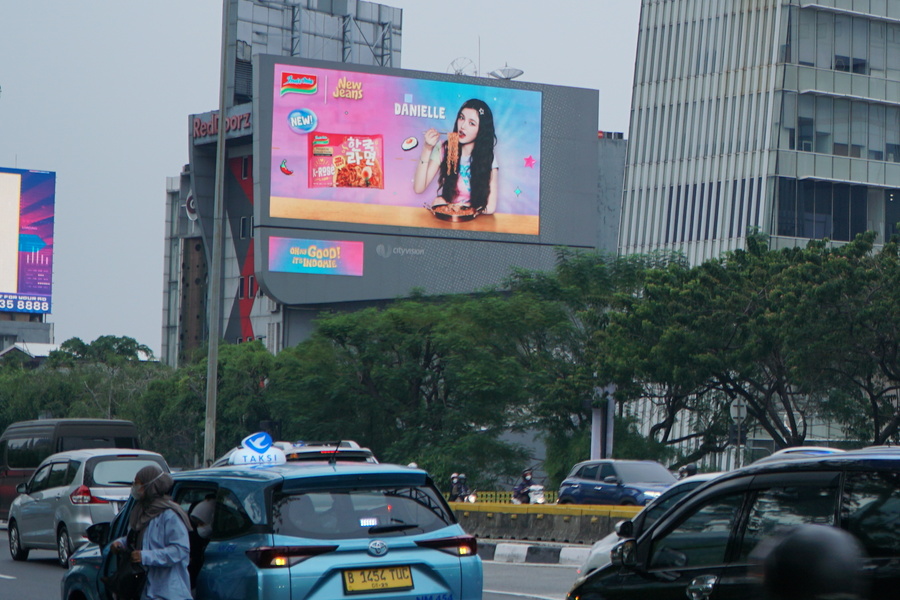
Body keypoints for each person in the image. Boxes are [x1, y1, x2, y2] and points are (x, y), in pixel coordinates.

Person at [113, 465, 193, 600]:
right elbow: (137, 538)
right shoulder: (140, 512)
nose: (134, 487)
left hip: (168, 592)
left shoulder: (169, 515)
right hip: (143, 589)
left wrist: (146, 557)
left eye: (137, 484)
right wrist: (120, 544)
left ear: (150, 486)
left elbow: (180, 550)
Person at [413, 98, 499, 214]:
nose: (463, 126)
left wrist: (461, 208)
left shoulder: (487, 157)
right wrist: (427, 148)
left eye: (471, 123)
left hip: (473, 222)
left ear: (481, 130)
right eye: (461, 118)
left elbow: (490, 207)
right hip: (448, 220)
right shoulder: (445, 148)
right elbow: (418, 188)